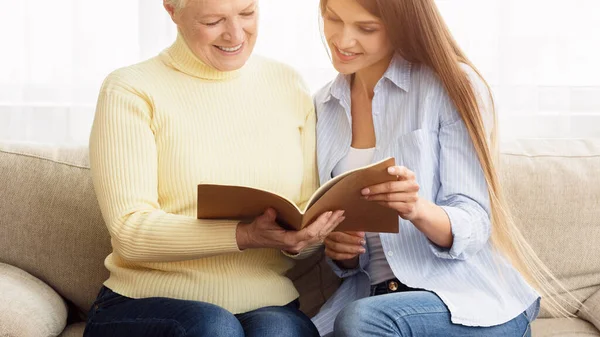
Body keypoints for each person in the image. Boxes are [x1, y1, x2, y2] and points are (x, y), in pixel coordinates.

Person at [83, 0, 345, 336]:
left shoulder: (288, 85)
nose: (235, 33)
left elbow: (303, 217)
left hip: (267, 302)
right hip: (146, 301)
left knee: (278, 332)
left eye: (247, 13)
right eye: (213, 20)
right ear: (172, 10)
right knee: (214, 327)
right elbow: (129, 233)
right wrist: (243, 236)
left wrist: (305, 237)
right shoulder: (131, 89)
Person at [310, 0, 566, 335]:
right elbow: (356, 252)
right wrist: (342, 251)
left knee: (361, 321)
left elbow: (475, 221)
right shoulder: (324, 106)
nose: (343, 40)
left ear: (401, 25)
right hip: (380, 300)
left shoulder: (451, 85)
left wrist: (417, 209)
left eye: (366, 28)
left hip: (466, 298)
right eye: (333, 19)